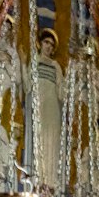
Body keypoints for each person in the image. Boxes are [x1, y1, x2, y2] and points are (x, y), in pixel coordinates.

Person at [28, 27, 64, 187]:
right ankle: (36, 179)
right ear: (40, 43)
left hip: (52, 109)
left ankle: (49, 182)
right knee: (38, 139)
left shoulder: (56, 66)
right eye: (46, 42)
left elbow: (61, 91)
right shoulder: (34, 61)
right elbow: (28, 85)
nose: (48, 46)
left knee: (51, 141)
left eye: (51, 44)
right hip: (38, 107)